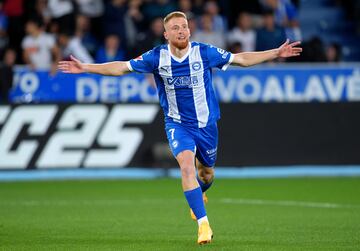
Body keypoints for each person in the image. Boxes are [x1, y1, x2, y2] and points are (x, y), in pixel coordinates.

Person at [58, 11, 302, 245]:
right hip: (177, 124)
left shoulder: (204, 52)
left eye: (184, 26)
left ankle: (200, 191)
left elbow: (240, 59)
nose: (181, 31)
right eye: (175, 28)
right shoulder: (157, 57)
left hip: (206, 124)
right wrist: (87, 67)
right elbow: (121, 67)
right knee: (186, 167)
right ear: (166, 34)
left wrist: (276, 52)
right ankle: (204, 225)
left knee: (206, 173)